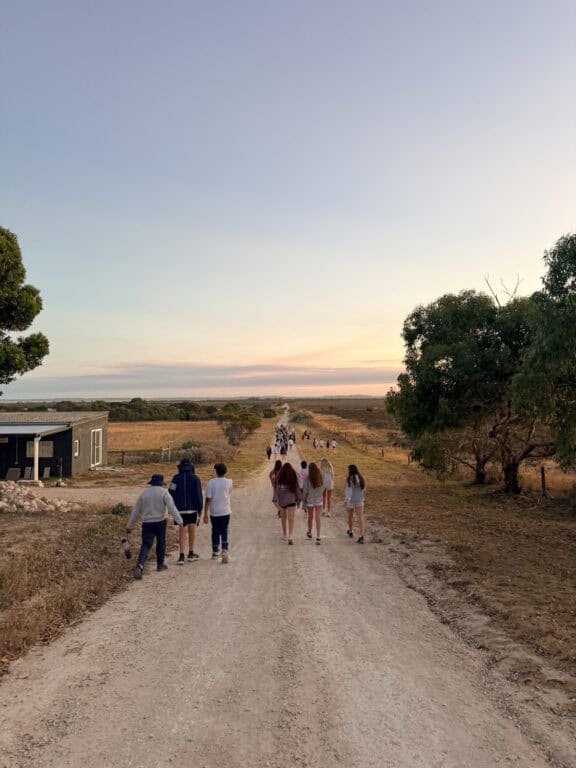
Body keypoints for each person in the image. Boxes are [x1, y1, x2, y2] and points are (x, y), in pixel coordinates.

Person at [127, 474, 183, 579]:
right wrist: (179, 520)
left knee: (146, 544)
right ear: (161, 483)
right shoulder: (164, 493)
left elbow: (136, 511)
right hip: (160, 521)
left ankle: (139, 565)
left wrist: (130, 525)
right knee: (161, 542)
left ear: (151, 483)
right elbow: (172, 508)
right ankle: (160, 564)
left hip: (147, 522)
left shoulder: (143, 494)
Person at [169, 457, 203, 565]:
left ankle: (181, 555)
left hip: (179, 509)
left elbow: (171, 493)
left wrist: (171, 508)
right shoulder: (195, 479)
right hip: (192, 509)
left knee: (182, 532)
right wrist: (200, 509)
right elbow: (198, 495)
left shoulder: (175, 478)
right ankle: (191, 553)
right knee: (191, 530)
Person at [203, 463, 233, 563]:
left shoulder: (211, 482)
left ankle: (215, 550)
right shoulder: (229, 481)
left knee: (215, 530)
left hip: (215, 511)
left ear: (216, 472)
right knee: (224, 529)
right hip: (225, 510)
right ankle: (224, 549)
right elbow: (229, 493)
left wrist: (205, 513)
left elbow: (208, 499)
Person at [274, 462, 301, 545]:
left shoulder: (279, 479)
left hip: (282, 501)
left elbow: (276, 491)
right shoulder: (293, 478)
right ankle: (291, 535)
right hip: (292, 501)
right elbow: (297, 490)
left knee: (284, 518)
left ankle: (285, 534)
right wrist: (298, 500)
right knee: (291, 519)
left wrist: (276, 501)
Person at [302, 462, 324, 544]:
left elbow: (305, 492)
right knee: (318, 518)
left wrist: (303, 502)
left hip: (310, 500)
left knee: (310, 517)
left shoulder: (307, 479)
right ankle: (318, 537)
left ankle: (309, 532)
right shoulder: (321, 477)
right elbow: (323, 488)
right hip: (319, 500)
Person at [345, 464, 366, 543]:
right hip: (359, 500)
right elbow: (363, 489)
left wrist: (346, 500)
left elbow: (347, 491)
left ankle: (350, 531)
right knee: (360, 518)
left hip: (351, 501)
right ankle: (361, 535)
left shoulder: (349, 479)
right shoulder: (361, 478)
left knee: (350, 516)